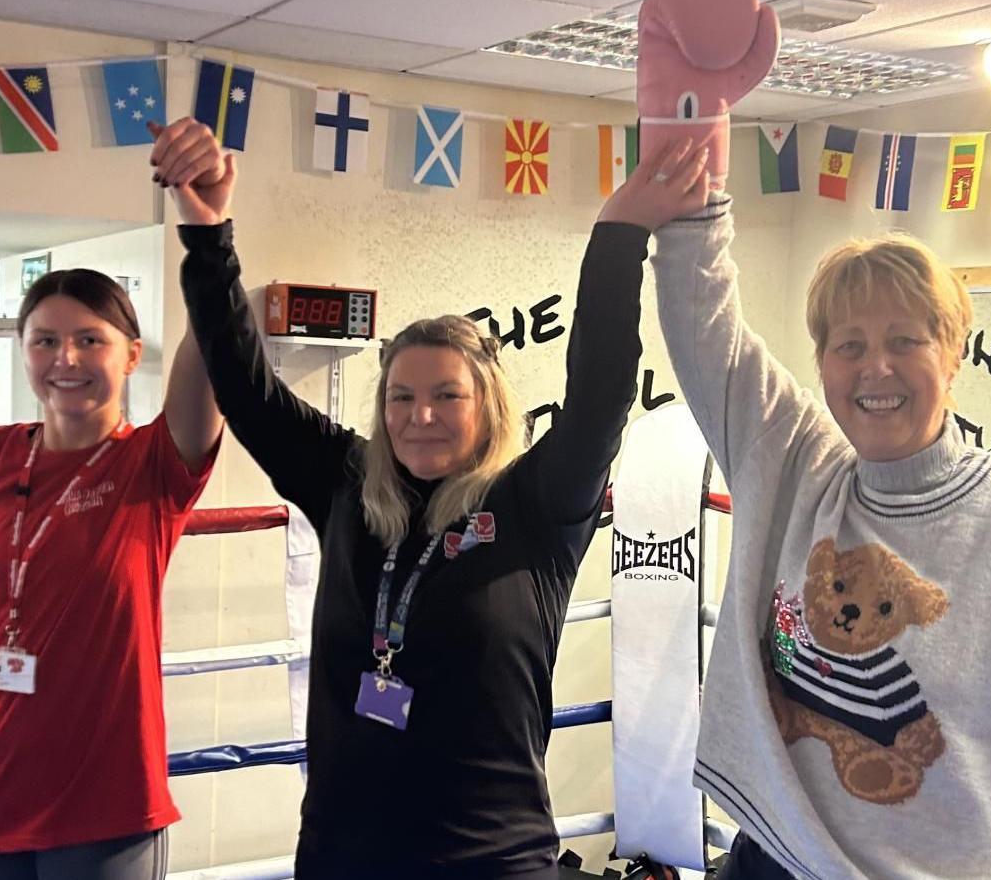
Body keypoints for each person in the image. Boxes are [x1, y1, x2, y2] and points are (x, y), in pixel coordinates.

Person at [177, 119, 706, 878]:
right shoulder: (347, 483)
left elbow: (601, 394)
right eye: (401, 396)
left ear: (486, 403)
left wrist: (618, 236)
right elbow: (245, 388)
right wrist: (207, 233)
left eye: (445, 395)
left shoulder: (535, 503)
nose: (419, 416)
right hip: (342, 856)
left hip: (488, 860)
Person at [649, 190, 991, 879]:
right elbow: (704, 328)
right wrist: (691, 148)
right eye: (850, 345)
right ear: (823, 364)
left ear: (954, 353)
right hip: (781, 862)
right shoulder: (796, 465)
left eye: (905, 340)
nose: (876, 367)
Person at [0, 118, 226, 880]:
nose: (66, 358)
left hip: (106, 804)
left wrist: (207, 232)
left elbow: (214, 349)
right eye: (45, 340)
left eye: (90, 340)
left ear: (132, 356)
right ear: (24, 353)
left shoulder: (155, 463)